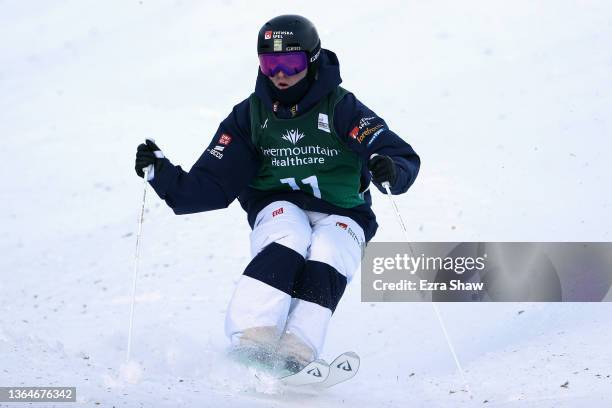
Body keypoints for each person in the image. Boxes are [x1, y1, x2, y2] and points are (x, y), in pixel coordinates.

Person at [135, 15, 420, 371]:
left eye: (291, 63)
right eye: (270, 64)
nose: (280, 74)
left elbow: (395, 151)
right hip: (277, 203)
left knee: (332, 249)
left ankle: (296, 351)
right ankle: (252, 336)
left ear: (312, 61)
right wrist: (161, 173)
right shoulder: (251, 116)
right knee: (290, 233)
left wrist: (392, 168)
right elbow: (211, 185)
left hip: (344, 210)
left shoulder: (340, 108)